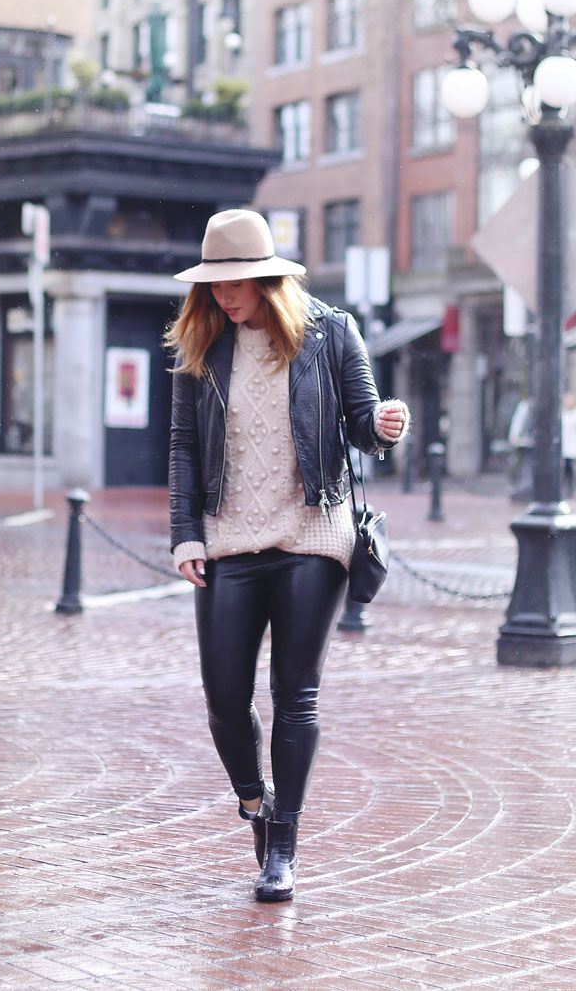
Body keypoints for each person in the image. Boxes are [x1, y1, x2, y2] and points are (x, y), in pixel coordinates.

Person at [166, 209, 409, 903]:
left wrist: (384, 423)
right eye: (214, 284)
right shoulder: (202, 342)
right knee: (223, 701)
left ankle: (284, 849)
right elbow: (183, 445)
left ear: (269, 279)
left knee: (294, 695)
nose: (224, 295)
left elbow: (363, 423)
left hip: (312, 532)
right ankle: (255, 803)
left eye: (236, 282)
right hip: (229, 539)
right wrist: (185, 531)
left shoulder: (331, 332)